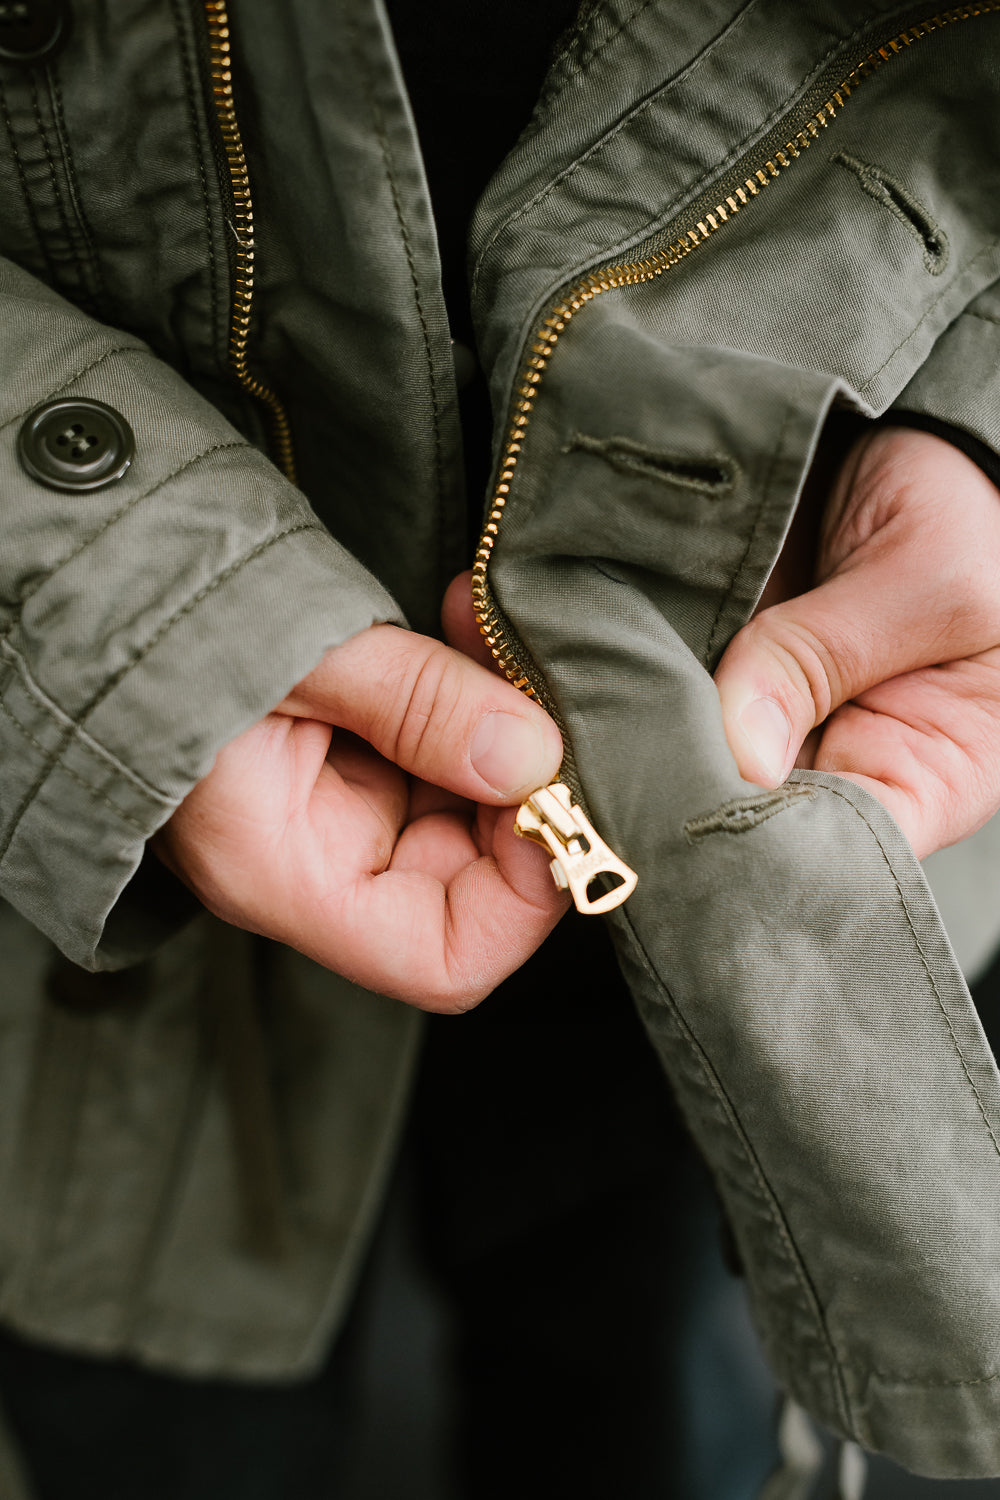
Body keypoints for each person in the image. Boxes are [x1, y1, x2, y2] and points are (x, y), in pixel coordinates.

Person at [0, 1, 999, 1495]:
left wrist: (974, 416)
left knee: (663, 1403)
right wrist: (124, 611)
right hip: (92, 929)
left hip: (756, 896)